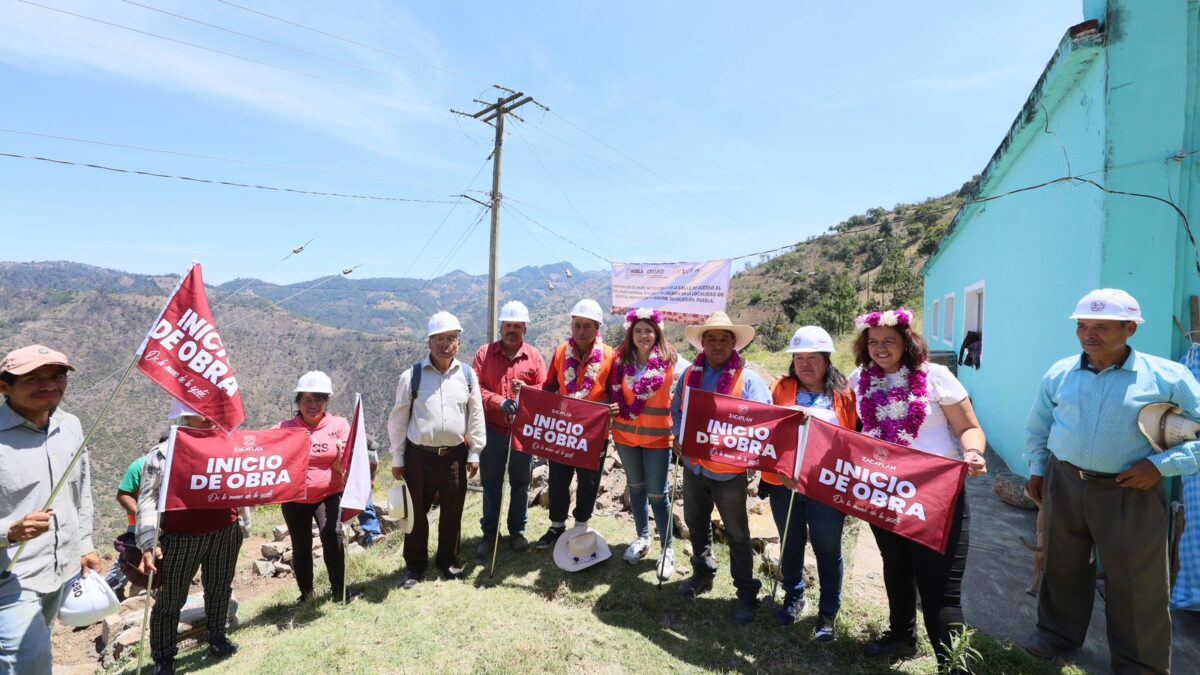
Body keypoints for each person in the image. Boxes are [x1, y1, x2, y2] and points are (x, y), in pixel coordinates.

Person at [1024, 289, 1200, 674]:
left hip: (1131, 490)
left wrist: (1162, 466)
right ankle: (1056, 634)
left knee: (1138, 580)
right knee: (1063, 564)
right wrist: (1038, 468)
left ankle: (1139, 664)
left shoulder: (1169, 376)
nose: (1090, 335)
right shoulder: (1059, 373)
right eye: (1083, 326)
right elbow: (1040, 425)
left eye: (1102, 327)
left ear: (1130, 328)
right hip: (1065, 481)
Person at [848, 308, 987, 669]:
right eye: (873, 342)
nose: (880, 348)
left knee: (939, 588)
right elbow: (850, 429)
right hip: (883, 492)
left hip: (937, 497)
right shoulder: (858, 380)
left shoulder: (937, 377)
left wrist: (972, 452)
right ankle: (901, 638)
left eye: (888, 342)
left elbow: (970, 428)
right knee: (895, 568)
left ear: (906, 343)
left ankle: (953, 664)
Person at [0, 345, 99, 675]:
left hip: (60, 570)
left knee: (31, 649)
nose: (49, 384)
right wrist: (8, 532)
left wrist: (84, 545)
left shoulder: (70, 426)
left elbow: (80, 491)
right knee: (29, 661)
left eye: (57, 376)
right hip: (10, 575)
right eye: (33, 378)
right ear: (4, 386)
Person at [670, 312, 771, 624]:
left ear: (733, 344)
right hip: (694, 466)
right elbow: (677, 408)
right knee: (696, 522)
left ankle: (746, 594)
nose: (716, 344)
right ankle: (703, 572)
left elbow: (764, 422)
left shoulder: (749, 379)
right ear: (702, 343)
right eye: (711, 339)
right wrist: (678, 434)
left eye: (723, 339)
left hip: (728, 473)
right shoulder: (689, 376)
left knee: (738, 533)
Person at [765, 326, 858, 637]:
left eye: (813, 358)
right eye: (799, 357)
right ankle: (794, 596)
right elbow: (767, 429)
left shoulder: (844, 394)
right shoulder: (780, 387)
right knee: (790, 543)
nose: (805, 364)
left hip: (826, 486)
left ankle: (828, 613)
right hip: (786, 484)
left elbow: (852, 440)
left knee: (828, 548)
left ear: (827, 360)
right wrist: (777, 468)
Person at [137, 401, 242, 675]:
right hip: (181, 536)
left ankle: (218, 639)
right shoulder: (163, 453)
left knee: (220, 587)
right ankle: (164, 658)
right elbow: (148, 499)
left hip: (226, 530)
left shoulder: (231, 445)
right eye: (199, 410)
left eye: (212, 410)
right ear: (184, 414)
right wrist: (148, 541)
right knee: (171, 599)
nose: (208, 416)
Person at [388, 311, 486, 587]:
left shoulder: (467, 375)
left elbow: (476, 414)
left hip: (454, 454)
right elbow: (398, 419)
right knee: (416, 512)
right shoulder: (412, 376)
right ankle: (415, 566)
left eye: (451, 339)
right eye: (439, 339)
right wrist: (397, 456)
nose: (445, 344)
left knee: (453, 511)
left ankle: (448, 561)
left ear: (458, 343)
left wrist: (475, 450)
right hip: (418, 456)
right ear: (429, 342)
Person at [536, 299, 618, 550]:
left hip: (595, 433)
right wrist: (531, 397)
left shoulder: (610, 356)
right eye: (577, 325)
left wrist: (615, 407)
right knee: (559, 478)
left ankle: (581, 524)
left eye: (587, 326)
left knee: (589, 481)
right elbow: (550, 385)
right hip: (564, 430)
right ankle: (557, 525)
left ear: (597, 328)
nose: (581, 331)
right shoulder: (561, 352)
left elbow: (616, 392)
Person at [472, 300, 548, 557]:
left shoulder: (535, 357)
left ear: (525, 329)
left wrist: (525, 392)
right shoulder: (484, 354)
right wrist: (499, 401)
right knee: (491, 484)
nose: (512, 330)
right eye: (508, 326)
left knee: (520, 482)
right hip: (492, 430)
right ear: (501, 328)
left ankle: (517, 531)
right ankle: (490, 535)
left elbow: (546, 391)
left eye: (517, 326)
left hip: (522, 432)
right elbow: (475, 390)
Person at [609, 308, 678, 579]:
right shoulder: (619, 359)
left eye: (648, 330)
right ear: (630, 333)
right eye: (638, 330)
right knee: (636, 488)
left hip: (658, 439)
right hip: (625, 437)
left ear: (657, 332)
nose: (643, 335)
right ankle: (642, 537)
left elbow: (686, 390)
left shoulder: (671, 359)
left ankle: (668, 548)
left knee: (658, 494)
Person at [274, 371, 352, 603]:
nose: (313, 405)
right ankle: (306, 594)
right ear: (298, 402)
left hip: (329, 493)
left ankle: (340, 590)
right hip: (294, 496)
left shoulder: (339, 425)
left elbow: (347, 464)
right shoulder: (284, 428)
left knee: (332, 533)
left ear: (326, 401)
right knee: (301, 545)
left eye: (319, 399)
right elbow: (262, 453)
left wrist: (341, 453)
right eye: (307, 400)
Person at [106, 453, 149, 598]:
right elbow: (123, 494)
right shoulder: (141, 465)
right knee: (129, 558)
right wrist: (142, 514)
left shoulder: (177, 462)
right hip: (138, 522)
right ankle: (108, 590)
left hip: (163, 522)